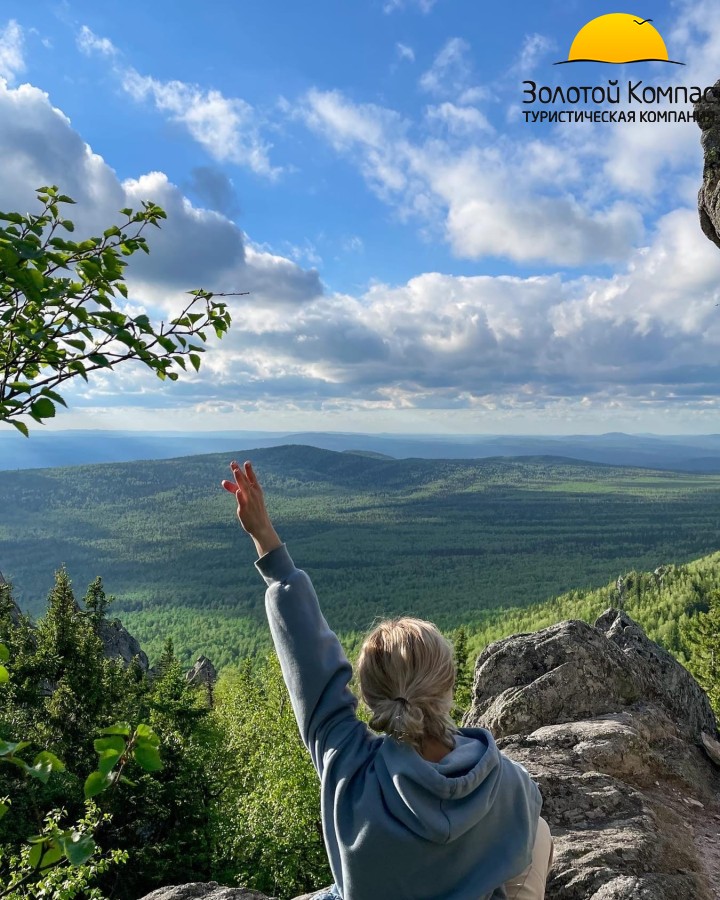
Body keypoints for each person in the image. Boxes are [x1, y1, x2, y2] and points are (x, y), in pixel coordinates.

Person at [222, 460, 553, 900]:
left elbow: (312, 666)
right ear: (448, 685)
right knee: (540, 832)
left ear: (368, 695)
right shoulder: (509, 785)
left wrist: (267, 540)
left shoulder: (351, 773)